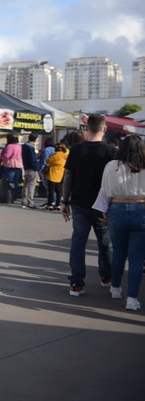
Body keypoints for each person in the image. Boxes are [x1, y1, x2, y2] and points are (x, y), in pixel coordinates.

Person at [60, 114, 117, 296]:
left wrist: (64, 200)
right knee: (105, 242)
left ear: (86, 128)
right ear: (105, 129)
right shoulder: (111, 151)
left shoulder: (76, 150)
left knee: (78, 241)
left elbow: (67, 176)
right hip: (103, 205)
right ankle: (107, 276)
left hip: (78, 203)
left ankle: (76, 283)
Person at [93, 135, 145, 311]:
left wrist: (105, 211)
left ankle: (115, 288)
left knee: (118, 251)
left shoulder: (112, 166)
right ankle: (132, 298)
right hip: (141, 210)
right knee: (137, 257)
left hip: (117, 208)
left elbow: (104, 190)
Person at [0, 134, 23, 201]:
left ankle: (9, 196)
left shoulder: (10, 146)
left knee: (9, 181)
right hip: (18, 165)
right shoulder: (19, 146)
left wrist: (1, 158)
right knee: (16, 182)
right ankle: (15, 195)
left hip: (10, 164)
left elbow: (6, 156)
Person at [44, 142, 68, 210]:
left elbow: (48, 161)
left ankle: (50, 204)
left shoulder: (54, 155)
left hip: (52, 175)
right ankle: (58, 204)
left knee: (51, 190)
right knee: (58, 191)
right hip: (61, 175)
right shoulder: (65, 155)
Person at [21, 133, 40, 210]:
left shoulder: (24, 146)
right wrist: (36, 167)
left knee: (25, 185)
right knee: (31, 185)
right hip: (32, 168)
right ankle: (30, 202)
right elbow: (33, 159)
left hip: (26, 167)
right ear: (35, 139)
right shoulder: (31, 147)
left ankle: (24, 202)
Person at [38, 137, 56, 208]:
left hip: (47, 170)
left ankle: (51, 200)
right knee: (53, 187)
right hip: (55, 170)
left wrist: (41, 170)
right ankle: (53, 200)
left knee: (47, 186)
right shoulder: (55, 150)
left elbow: (44, 161)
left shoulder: (46, 150)